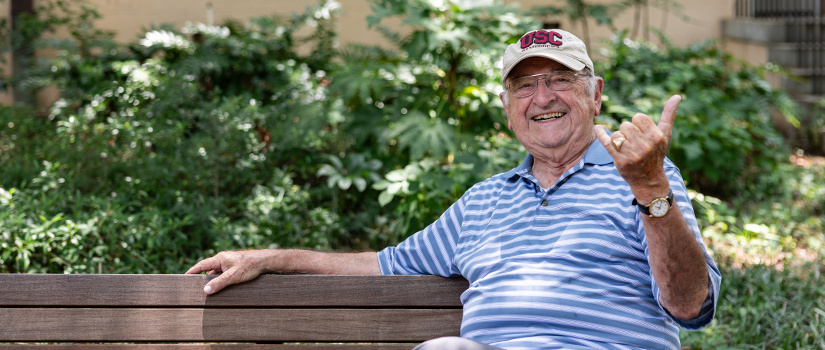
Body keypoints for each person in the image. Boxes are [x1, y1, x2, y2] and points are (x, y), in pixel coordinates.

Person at [187, 29, 721, 350]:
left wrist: (650, 187)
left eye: (560, 79)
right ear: (508, 107)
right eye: (525, 85)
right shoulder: (483, 202)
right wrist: (270, 258)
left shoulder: (645, 181)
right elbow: (381, 265)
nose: (542, 98)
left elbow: (690, 306)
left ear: (596, 94)